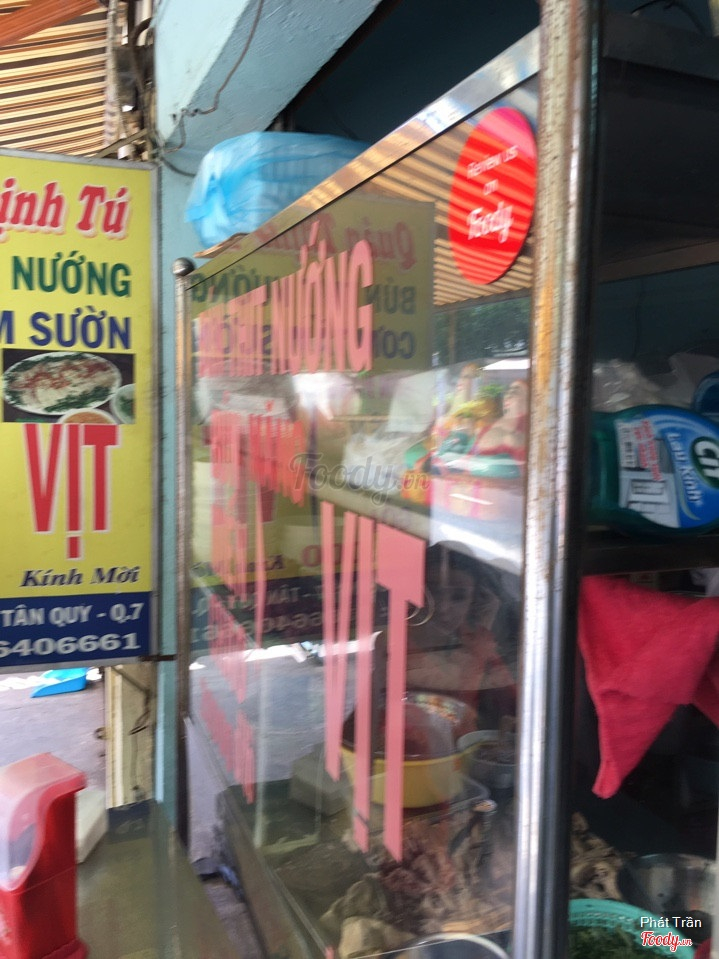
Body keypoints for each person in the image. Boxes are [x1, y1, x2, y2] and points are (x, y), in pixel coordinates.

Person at [373, 542, 518, 733]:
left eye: (459, 597)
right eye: (433, 593)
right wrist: (478, 657)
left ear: (475, 600)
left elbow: (513, 706)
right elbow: (450, 720)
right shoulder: (394, 646)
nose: (443, 608)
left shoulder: (475, 642)